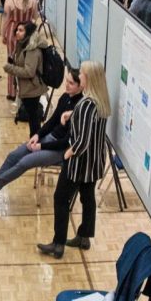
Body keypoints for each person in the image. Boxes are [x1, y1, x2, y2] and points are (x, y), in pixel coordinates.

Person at [0, 68, 84, 205]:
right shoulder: (65, 97)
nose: (66, 85)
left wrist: (41, 146)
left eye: (71, 83)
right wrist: (37, 135)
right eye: (67, 81)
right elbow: (52, 122)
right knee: (13, 156)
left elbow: (66, 142)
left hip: (61, 151)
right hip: (49, 138)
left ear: (80, 86)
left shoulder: (80, 108)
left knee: (24, 162)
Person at [39, 61, 111, 259]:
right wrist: (73, 113)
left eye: (84, 74)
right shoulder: (101, 100)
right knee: (88, 199)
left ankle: (58, 243)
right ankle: (84, 236)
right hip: (94, 163)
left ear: (90, 78)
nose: (82, 77)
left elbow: (83, 140)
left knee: (60, 199)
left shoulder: (87, 104)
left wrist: (68, 153)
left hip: (79, 164)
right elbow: (90, 122)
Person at [3, 22, 48, 136]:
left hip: (32, 89)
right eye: (17, 30)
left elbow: (29, 72)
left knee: (33, 119)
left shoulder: (32, 49)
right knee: (33, 117)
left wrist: (10, 68)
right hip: (28, 88)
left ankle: (35, 141)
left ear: (28, 33)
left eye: (21, 30)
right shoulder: (23, 45)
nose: (17, 32)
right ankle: (35, 140)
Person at [2, 0, 38, 101]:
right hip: (27, 33)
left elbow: (6, 20)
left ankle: (11, 92)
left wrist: (4, 35)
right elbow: (35, 18)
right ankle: (25, 91)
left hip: (13, 33)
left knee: (12, 61)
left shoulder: (9, 1)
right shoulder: (33, 0)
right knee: (26, 63)